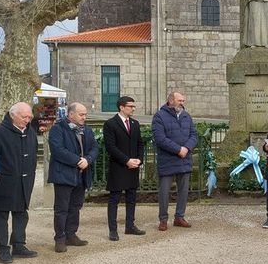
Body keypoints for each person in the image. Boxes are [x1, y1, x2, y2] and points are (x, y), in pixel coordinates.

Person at [0, 102, 39, 263]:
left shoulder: (30, 133)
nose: (27, 120)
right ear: (12, 115)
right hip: (4, 182)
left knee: (21, 214)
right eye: (24, 117)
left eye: (30, 117)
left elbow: (34, 156)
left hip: (25, 181)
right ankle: (3, 249)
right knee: (1, 215)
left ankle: (19, 244)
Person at [47, 102, 98, 253]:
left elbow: (95, 147)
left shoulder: (86, 130)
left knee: (75, 207)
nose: (84, 117)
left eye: (85, 114)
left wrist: (88, 159)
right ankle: (60, 239)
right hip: (64, 174)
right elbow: (57, 150)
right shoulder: (58, 129)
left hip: (81, 175)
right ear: (70, 114)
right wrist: (77, 161)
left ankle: (71, 234)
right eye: (81, 114)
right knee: (62, 208)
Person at [152, 91, 198, 231]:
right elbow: (160, 138)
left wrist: (187, 147)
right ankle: (163, 219)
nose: (182, 103)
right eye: (180, 100)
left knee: (183, 191)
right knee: (164, 192)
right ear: (171, 100)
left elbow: (194, 135)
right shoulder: (159, 116)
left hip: (184, 160)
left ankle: (179, 217)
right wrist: (178, 149)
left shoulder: (186, 116)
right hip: (168, 160)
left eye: (183, 100)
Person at [102, 96, 145, 241]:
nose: (133, 109)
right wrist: (126, 160)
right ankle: (113, 230)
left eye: (134, 106)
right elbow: (111, 147)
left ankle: (130, 226)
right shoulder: (110, 124)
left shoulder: (135, 123)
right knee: (114, 199)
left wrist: (139, 159)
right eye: (130, 106)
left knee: (131, 197)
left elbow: (140, 143)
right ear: (121, 107)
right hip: (119, 167)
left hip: (133, 166)